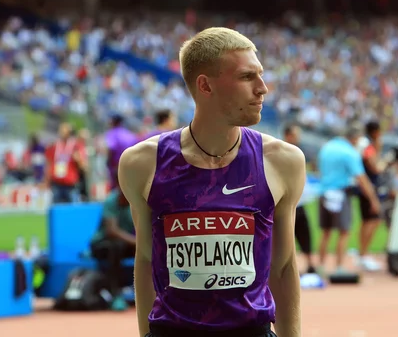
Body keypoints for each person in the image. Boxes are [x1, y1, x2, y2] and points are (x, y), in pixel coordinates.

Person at [119, 27, 304, 337]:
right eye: (247, 77)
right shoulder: (142, 164)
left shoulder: (283, 161)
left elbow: (284, 267)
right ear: (205, 85)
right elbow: (147, 258)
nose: (263, 89)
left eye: (260, 75)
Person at [317, 123, 380, 275]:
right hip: (340, 193)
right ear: (355, 138)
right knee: (344, 232)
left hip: (324, 192)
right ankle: (339, 267)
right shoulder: (350, 153)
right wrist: (373, 200)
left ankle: (320, 266)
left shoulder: (327, 147)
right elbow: (362, 179)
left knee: (326, 232)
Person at [89, 185, 135, 311]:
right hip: (102, 244)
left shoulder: (136, 201)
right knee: (115, 248)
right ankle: (116, 295)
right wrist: (136, 242)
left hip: (126, 244)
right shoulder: (111, 201)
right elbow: (112, 231)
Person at [355, 121, 389, 272]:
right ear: (376, 132)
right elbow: (375, 167)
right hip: (369, 188)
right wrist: (386, 161)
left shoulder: (365, 143)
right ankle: (363, 254)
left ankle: (362, 254)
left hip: (365, 188)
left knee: (367, 221)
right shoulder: (368, 145)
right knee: (373, 220)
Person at [283, 124, 316, 275]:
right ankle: (288, 268)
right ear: (288, 135)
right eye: (295, 135)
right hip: (287, 203)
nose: (298, 138)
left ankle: (310, 264)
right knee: (286, 236)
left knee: (304, 232)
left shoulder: (297, 152)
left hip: (299, 202)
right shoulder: (281, 152)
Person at [44, 123, 86, 204]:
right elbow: (49, 163)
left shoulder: (76, 146)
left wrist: (78, 159)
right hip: (56, 183)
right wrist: (46, 181)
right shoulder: (55, 145)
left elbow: (84, 166)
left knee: (72, 211)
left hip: (70, 184)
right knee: (57, 210)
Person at [105, 115, 138, 190]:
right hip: (130, 165)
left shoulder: (111, 134)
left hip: (116, 167)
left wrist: (108, 162)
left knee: (117, 191)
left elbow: (111, 149)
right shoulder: (128, 134)